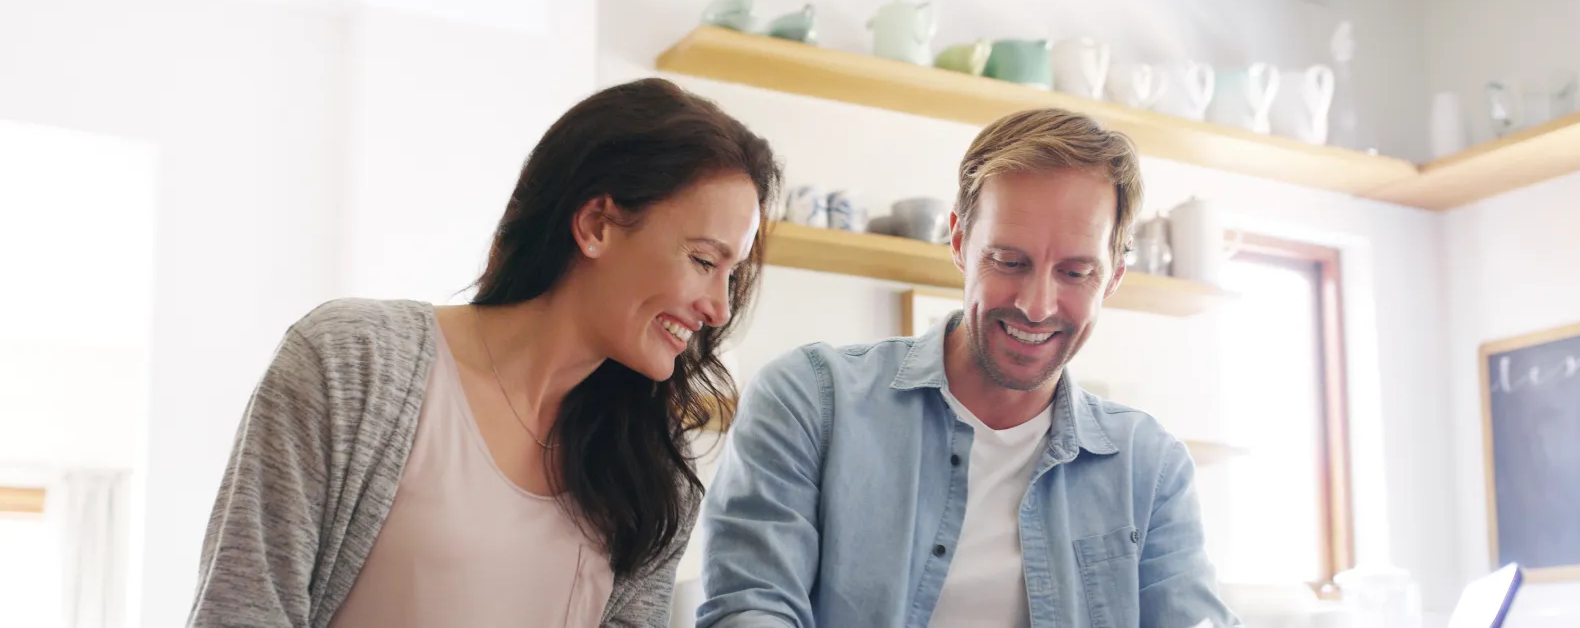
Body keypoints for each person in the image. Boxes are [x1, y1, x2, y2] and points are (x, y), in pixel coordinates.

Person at [187, 77, 780, 628]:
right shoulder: (351, 363)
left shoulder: (654, 469)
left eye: (732, 276)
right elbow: (241, 611)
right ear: (598, 224)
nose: (719, 309)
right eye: (704, 262)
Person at [696, 108, 1239, 628]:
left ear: (1114, 276)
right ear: (958, 242)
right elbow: (751, 606)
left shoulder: (1150, 467)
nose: (1037, 305)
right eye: (1009, 262)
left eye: (1076, 272)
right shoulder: (811, 401)